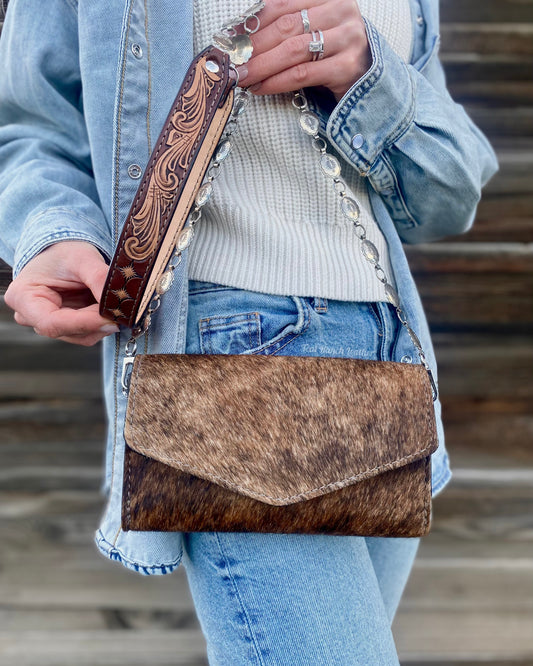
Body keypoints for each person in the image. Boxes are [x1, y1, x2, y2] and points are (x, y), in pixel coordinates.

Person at [0, 0, 497, 663]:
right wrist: (50, 232)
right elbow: (30, 123)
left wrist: (370, 76)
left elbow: (447, 194)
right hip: (232, 349)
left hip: (385, 350)